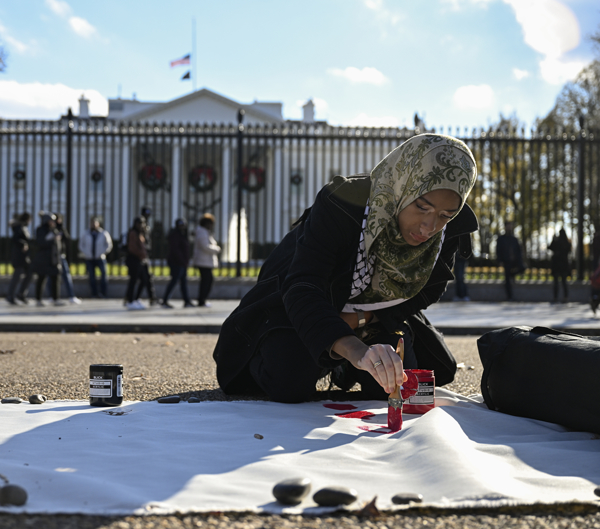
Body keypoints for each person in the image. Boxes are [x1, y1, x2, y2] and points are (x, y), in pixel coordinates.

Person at [212, 134, 478, 404]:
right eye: (422, 206)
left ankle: (344, 363)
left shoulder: (450, 231)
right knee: (288, 381)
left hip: (376, 317)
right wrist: (355, 349)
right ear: (402, 185)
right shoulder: (343, 203)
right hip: (298, 308)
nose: (429, 227)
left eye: (445, 215)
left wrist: (361, 320)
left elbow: (426, 292)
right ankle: (333, 357)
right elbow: (303, 286)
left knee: (398, 385)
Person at [32, 211, 65, 307]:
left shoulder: (54, 230)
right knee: (41, 279)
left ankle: (56, 298)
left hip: (53, 258)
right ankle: (38, 299)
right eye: (51, 220)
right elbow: (40, 243)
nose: (53, 222)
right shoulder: (40, 230)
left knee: (55, 279)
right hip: (43, 258)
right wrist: (51, 239)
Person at [161, 218, 193, 308]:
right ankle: (165, 300)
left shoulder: (183, 234)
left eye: (183, 225)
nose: (182, 227)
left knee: (183, 283)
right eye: (180, 225)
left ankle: (186, 301)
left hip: (182, 263)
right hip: (177, 263)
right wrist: (182, 261)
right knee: (174, 281)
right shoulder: (175, 235)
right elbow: (175, 250)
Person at [49, 214, 81, 304]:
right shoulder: (51, 229)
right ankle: (52, 296)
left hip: (61, 255)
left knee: (66, 275)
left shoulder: (61, 229)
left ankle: (71, 295)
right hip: (52, 255)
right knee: (51, 277)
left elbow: (67, 239)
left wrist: (61, 229)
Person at [79, 216, 113, 298]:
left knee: (104, 275)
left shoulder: (104, 233)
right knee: (91, 276)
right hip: (89, 258)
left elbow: (109, 245)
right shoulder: (85, 233)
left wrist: (102, 253)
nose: (93, 225)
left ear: (98, 224)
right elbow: (80, 245)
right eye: (92, 223)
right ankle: (94, 293)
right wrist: (86, 253)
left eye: (95, 223)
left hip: (100, 258)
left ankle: (103, 293)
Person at [193, 213, 221, 308]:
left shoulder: (205, 232)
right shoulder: (202, 231)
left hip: (205, 261)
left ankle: (202, 300)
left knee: (207, 281)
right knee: (206, 281)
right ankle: (201, 300)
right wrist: (217, 249)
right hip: (203, 262)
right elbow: (205, 246)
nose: (211, 226)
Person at [7, 212, 33, 305]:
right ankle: (11, 295)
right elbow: (15, 239)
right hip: (19, 256)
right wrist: (23, 244)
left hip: (23, 256)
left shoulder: (22, 227)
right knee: (17, 276)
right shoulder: (19, 227)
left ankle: (21, 294)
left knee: (29, 273)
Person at [496, 221, 524, 301]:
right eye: (508, 226)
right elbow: (498, 250)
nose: (509, 228)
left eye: (510, 226)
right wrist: (500, 260)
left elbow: (518, 250)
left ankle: (512, 274)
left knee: (522, 268)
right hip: (506, 261)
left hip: (514, 260)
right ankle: (509, 296)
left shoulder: (514, 239)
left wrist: (519, 260)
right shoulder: (501, 239)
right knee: (507, 279)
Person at [124, 216, 148, 310]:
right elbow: (133, 248)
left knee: (144, 279)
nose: (141, 225)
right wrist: (142, 254)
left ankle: (136, 298)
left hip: (140, 260)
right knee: (133, 281)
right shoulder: (133, 233)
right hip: (134, 259)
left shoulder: (140, 233)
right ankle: (130, 300)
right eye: (139, 223)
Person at [137, 206, 157, 306]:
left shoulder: (146, 225)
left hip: (144, 255)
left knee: (146, 278)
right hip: (140, 256)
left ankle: (151, 297)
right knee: (144, 278)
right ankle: (135, 298)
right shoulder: (140, 225)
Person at [548, 228, 571, 303]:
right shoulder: (567, 243)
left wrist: (553, 240)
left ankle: (555, 297)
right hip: (564, 265)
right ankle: (565, 297)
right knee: (564, 282)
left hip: (556, 265)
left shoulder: (557, 242)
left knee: (556, 282)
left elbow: (550, 247)